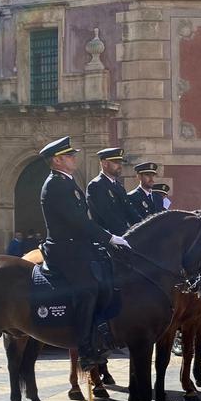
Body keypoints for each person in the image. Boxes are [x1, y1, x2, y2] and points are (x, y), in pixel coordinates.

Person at [39, 136, 131, 371]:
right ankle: (85, 349)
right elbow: (78, 221)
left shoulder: (67, 181)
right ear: (58, 160)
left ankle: (102, 333)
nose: (74, 158)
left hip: (78, 246)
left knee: (108, 277)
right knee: (87, 288)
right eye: (69, 156)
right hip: (64, 248)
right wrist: (109, 237)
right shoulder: (56, 184)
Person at [87, 147, 138, 236]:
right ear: (105, 163)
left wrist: (142, 226)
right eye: (116, 162)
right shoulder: (96, 185)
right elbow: (107, 216)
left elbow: (130, 211)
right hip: (108, 238)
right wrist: (127, 233)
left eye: (120, 163)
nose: (120, 166)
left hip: (123, 235)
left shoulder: (119, 186)